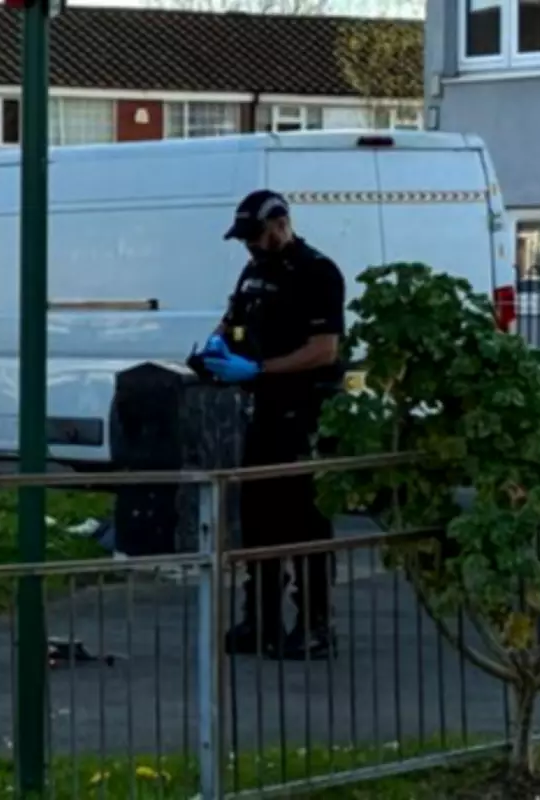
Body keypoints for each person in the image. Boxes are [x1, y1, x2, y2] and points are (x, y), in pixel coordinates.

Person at [199, 189, 345, 660]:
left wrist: (261, 370)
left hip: (304, 411)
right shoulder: (253, 273)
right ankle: (258, 618)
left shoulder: (317, 271)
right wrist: (213, 350)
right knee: (259, 518)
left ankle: (315, 625)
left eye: (256, 237)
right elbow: (232, 320)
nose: (251, 247)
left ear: (281, 224)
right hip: (262, 410)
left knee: (304, 520)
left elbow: (325, 349)